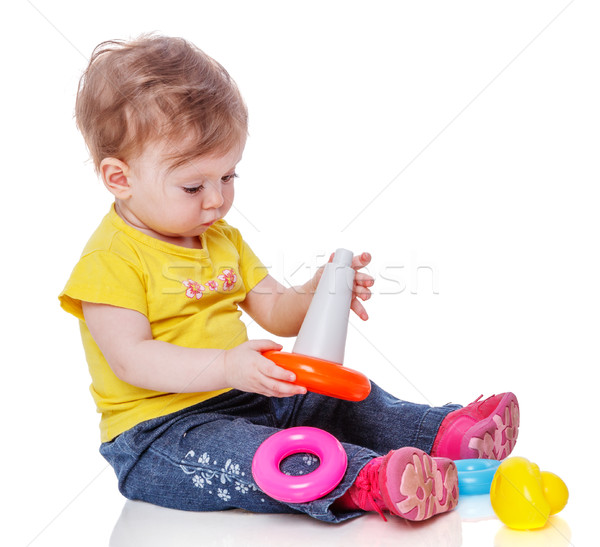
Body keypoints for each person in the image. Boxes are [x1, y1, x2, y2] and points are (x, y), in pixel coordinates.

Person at [59, 34, 519, 523]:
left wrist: (318, 293)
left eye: (228, 177)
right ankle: (369, 481)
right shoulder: (110, 259)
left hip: (247, 396)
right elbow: (132, 360)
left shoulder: (221, 239)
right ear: (120, 177)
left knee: (336, 399)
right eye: (193, 185)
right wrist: (226, 367)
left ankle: (444, 433)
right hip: (162, 433)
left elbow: (275, 311)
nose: (216, 200)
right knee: (261, 457)